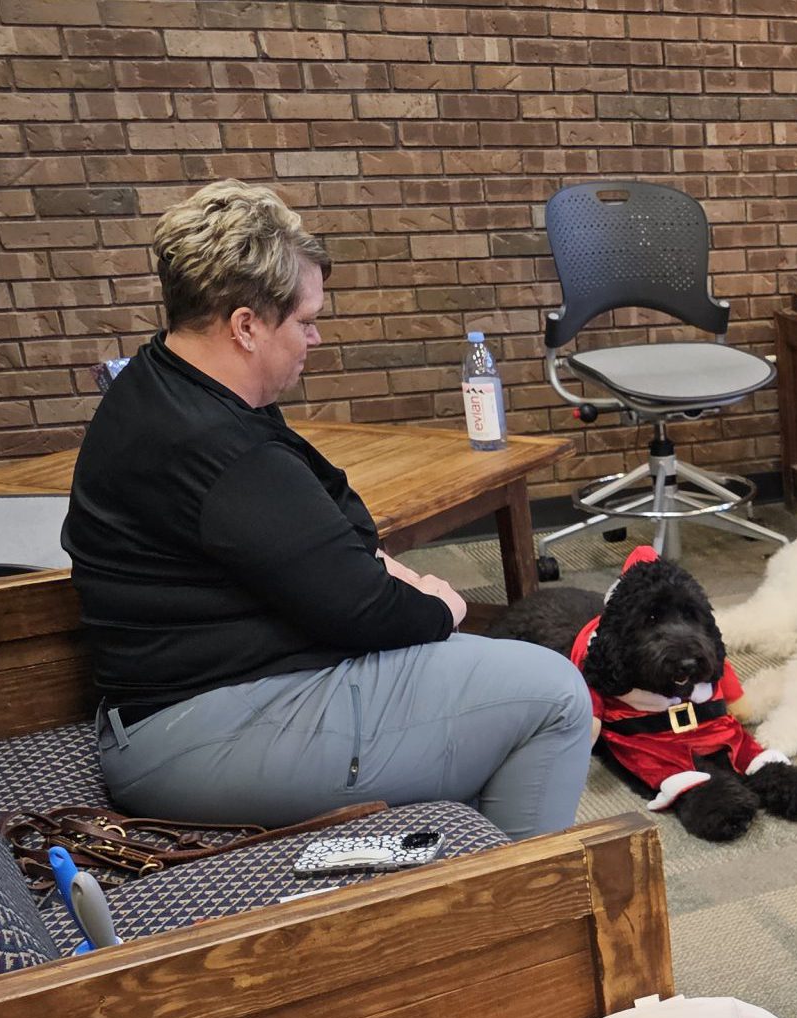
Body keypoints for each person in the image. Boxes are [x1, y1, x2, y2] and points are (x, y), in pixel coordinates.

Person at [66, 179, 593, 839]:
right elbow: (366, 610)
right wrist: (442, 605)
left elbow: (331, 532)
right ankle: (531, 913)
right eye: (306, 321)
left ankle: (471, 865)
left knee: (489, 686)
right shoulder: (216, 447)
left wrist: (388, 577)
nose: (315, 338)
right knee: (555, 695)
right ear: (246, 326)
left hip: (188, 705)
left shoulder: (165, 382)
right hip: (193, 735)